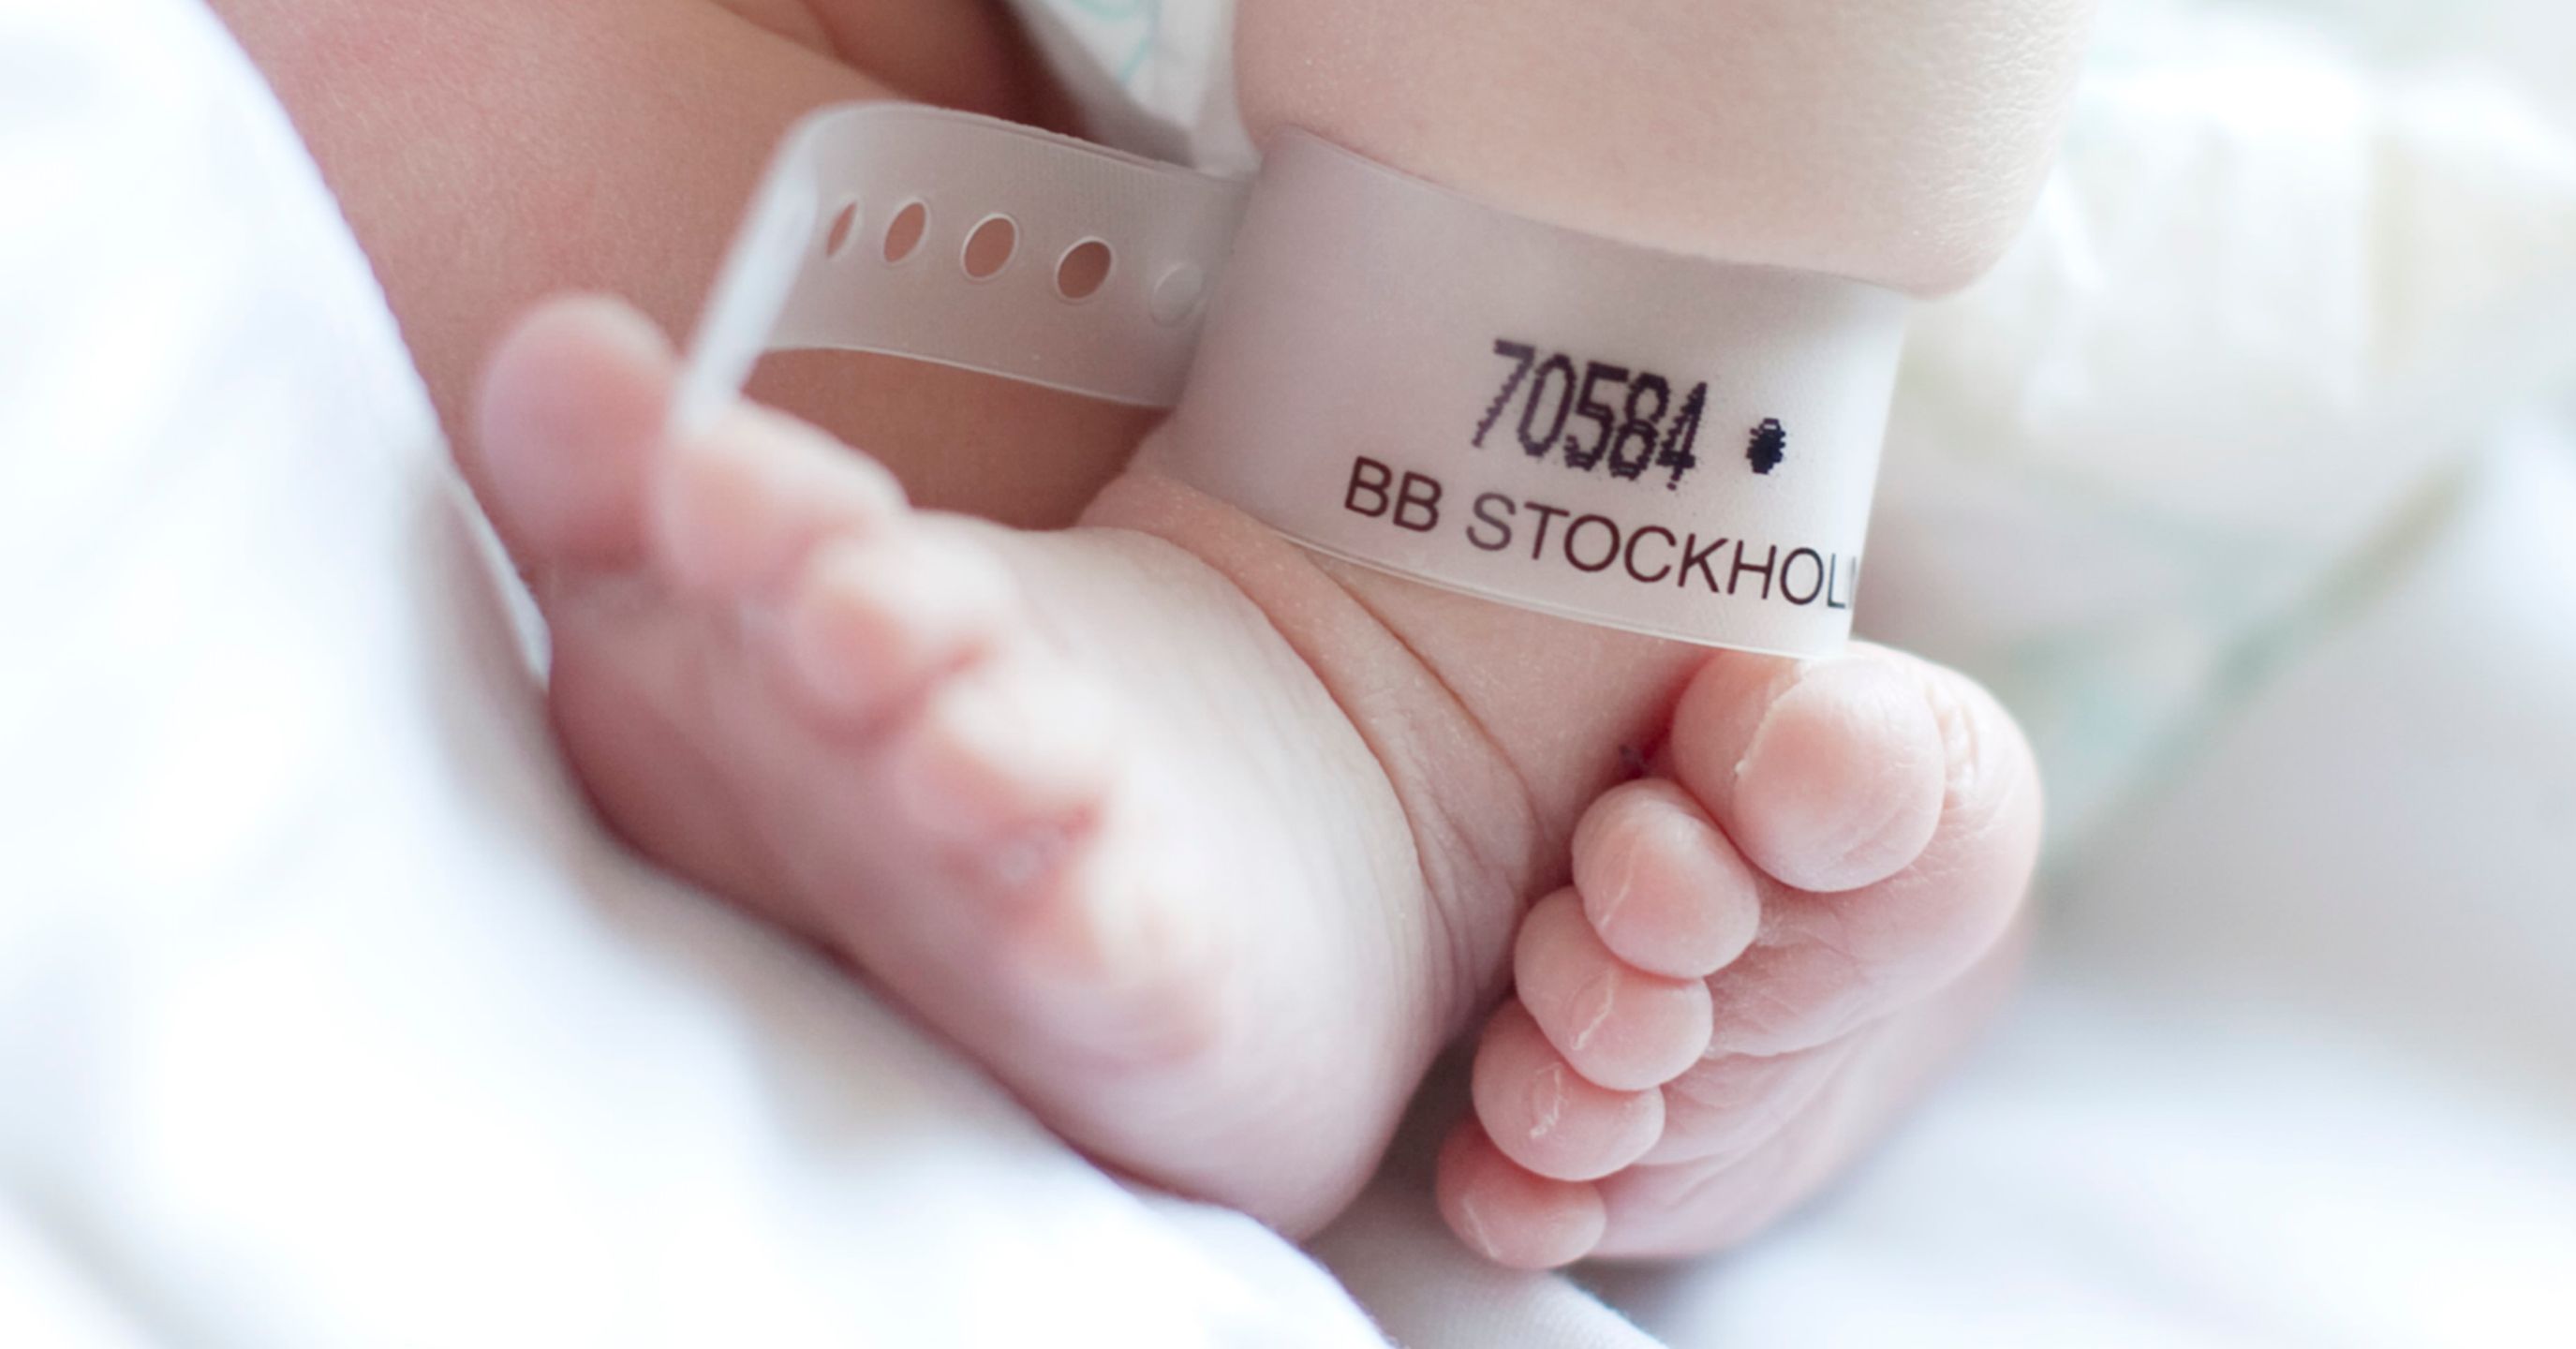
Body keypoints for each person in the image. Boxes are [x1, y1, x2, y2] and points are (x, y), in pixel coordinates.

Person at [211, 0, 2080, 1268]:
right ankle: (1360, 742)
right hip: (1083, 267)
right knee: (391, 59)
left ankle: (1404, 699)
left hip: (1762, 239)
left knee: (1797, 786)